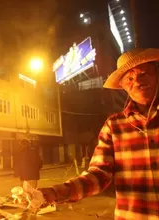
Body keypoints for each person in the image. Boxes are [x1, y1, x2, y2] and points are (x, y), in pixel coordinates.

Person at [38, 48, 159, 219]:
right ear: (123, 86)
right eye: (130, 79)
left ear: (156, 75)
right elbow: (99, 175)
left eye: (144, 74)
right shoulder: (114, 125)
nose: (137, 82)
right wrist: (54, 193)